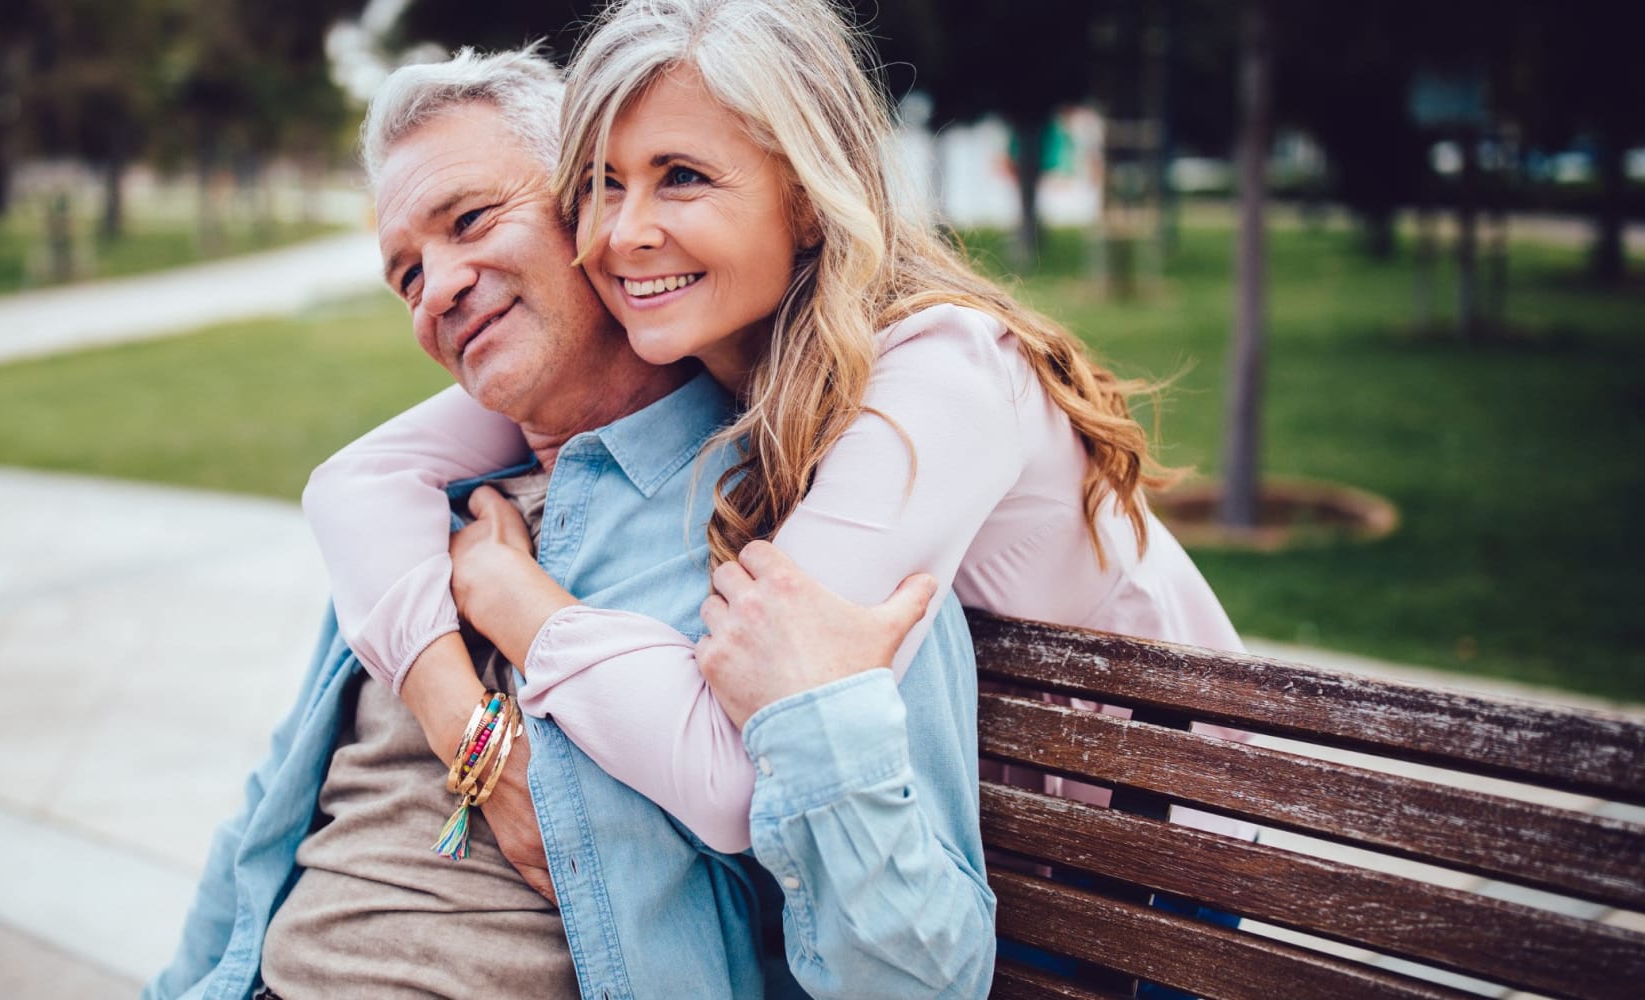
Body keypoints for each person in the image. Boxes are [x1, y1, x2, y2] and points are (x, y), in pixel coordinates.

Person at [307, 0, 1252, 873]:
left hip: (1156, 874)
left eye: (681, 178)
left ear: (805, 197)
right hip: (988, 862)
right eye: (601, 186)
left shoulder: (945, 375)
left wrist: (508, 591)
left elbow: (737, 780)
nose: (624, 234)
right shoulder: (680, 338)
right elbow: (357, 481)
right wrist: (454, 711)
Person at [149, 45, 995, 1000]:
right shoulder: (418, 530)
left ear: (585, 214)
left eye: (469, 220)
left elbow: (915, 977)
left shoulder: (803, 539)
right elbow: (268, 814)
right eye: (405, 276)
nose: (437, 288)